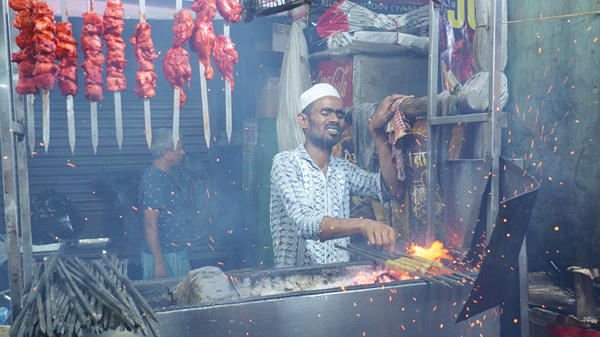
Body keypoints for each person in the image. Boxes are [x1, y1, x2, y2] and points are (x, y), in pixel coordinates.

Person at [270, 83, 406, 268]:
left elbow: (391, 188)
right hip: (296, 284)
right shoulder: (286, 163)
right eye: (326, 112)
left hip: (336, 283)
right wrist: (363, 225)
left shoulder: (343, 169)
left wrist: (376, 133)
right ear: (303, 120)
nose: (335, 119)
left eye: (340, 114)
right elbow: (306, 223)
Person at [139, 128, 191, 279]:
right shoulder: (155, 181)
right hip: (166, 256)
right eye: (179, 149)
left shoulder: (162, 176)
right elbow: (150, 224)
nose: (183, 153)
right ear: (165, 153)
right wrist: (159, 263)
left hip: (170, 253)